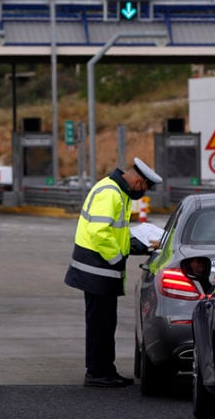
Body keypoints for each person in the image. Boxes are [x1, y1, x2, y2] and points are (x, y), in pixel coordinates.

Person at [64, 157, 163, 388]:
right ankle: (98, 373)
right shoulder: (111, 193)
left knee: (104, 324)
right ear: (138, 180)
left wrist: (141, 245)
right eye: (144, 188)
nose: (142, 193)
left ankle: (104, 369)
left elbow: (114, 233)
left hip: (99, 270)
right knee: (100, 325)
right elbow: (100, 233)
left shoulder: (116, 191)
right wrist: (118, 258)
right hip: (97, 269)